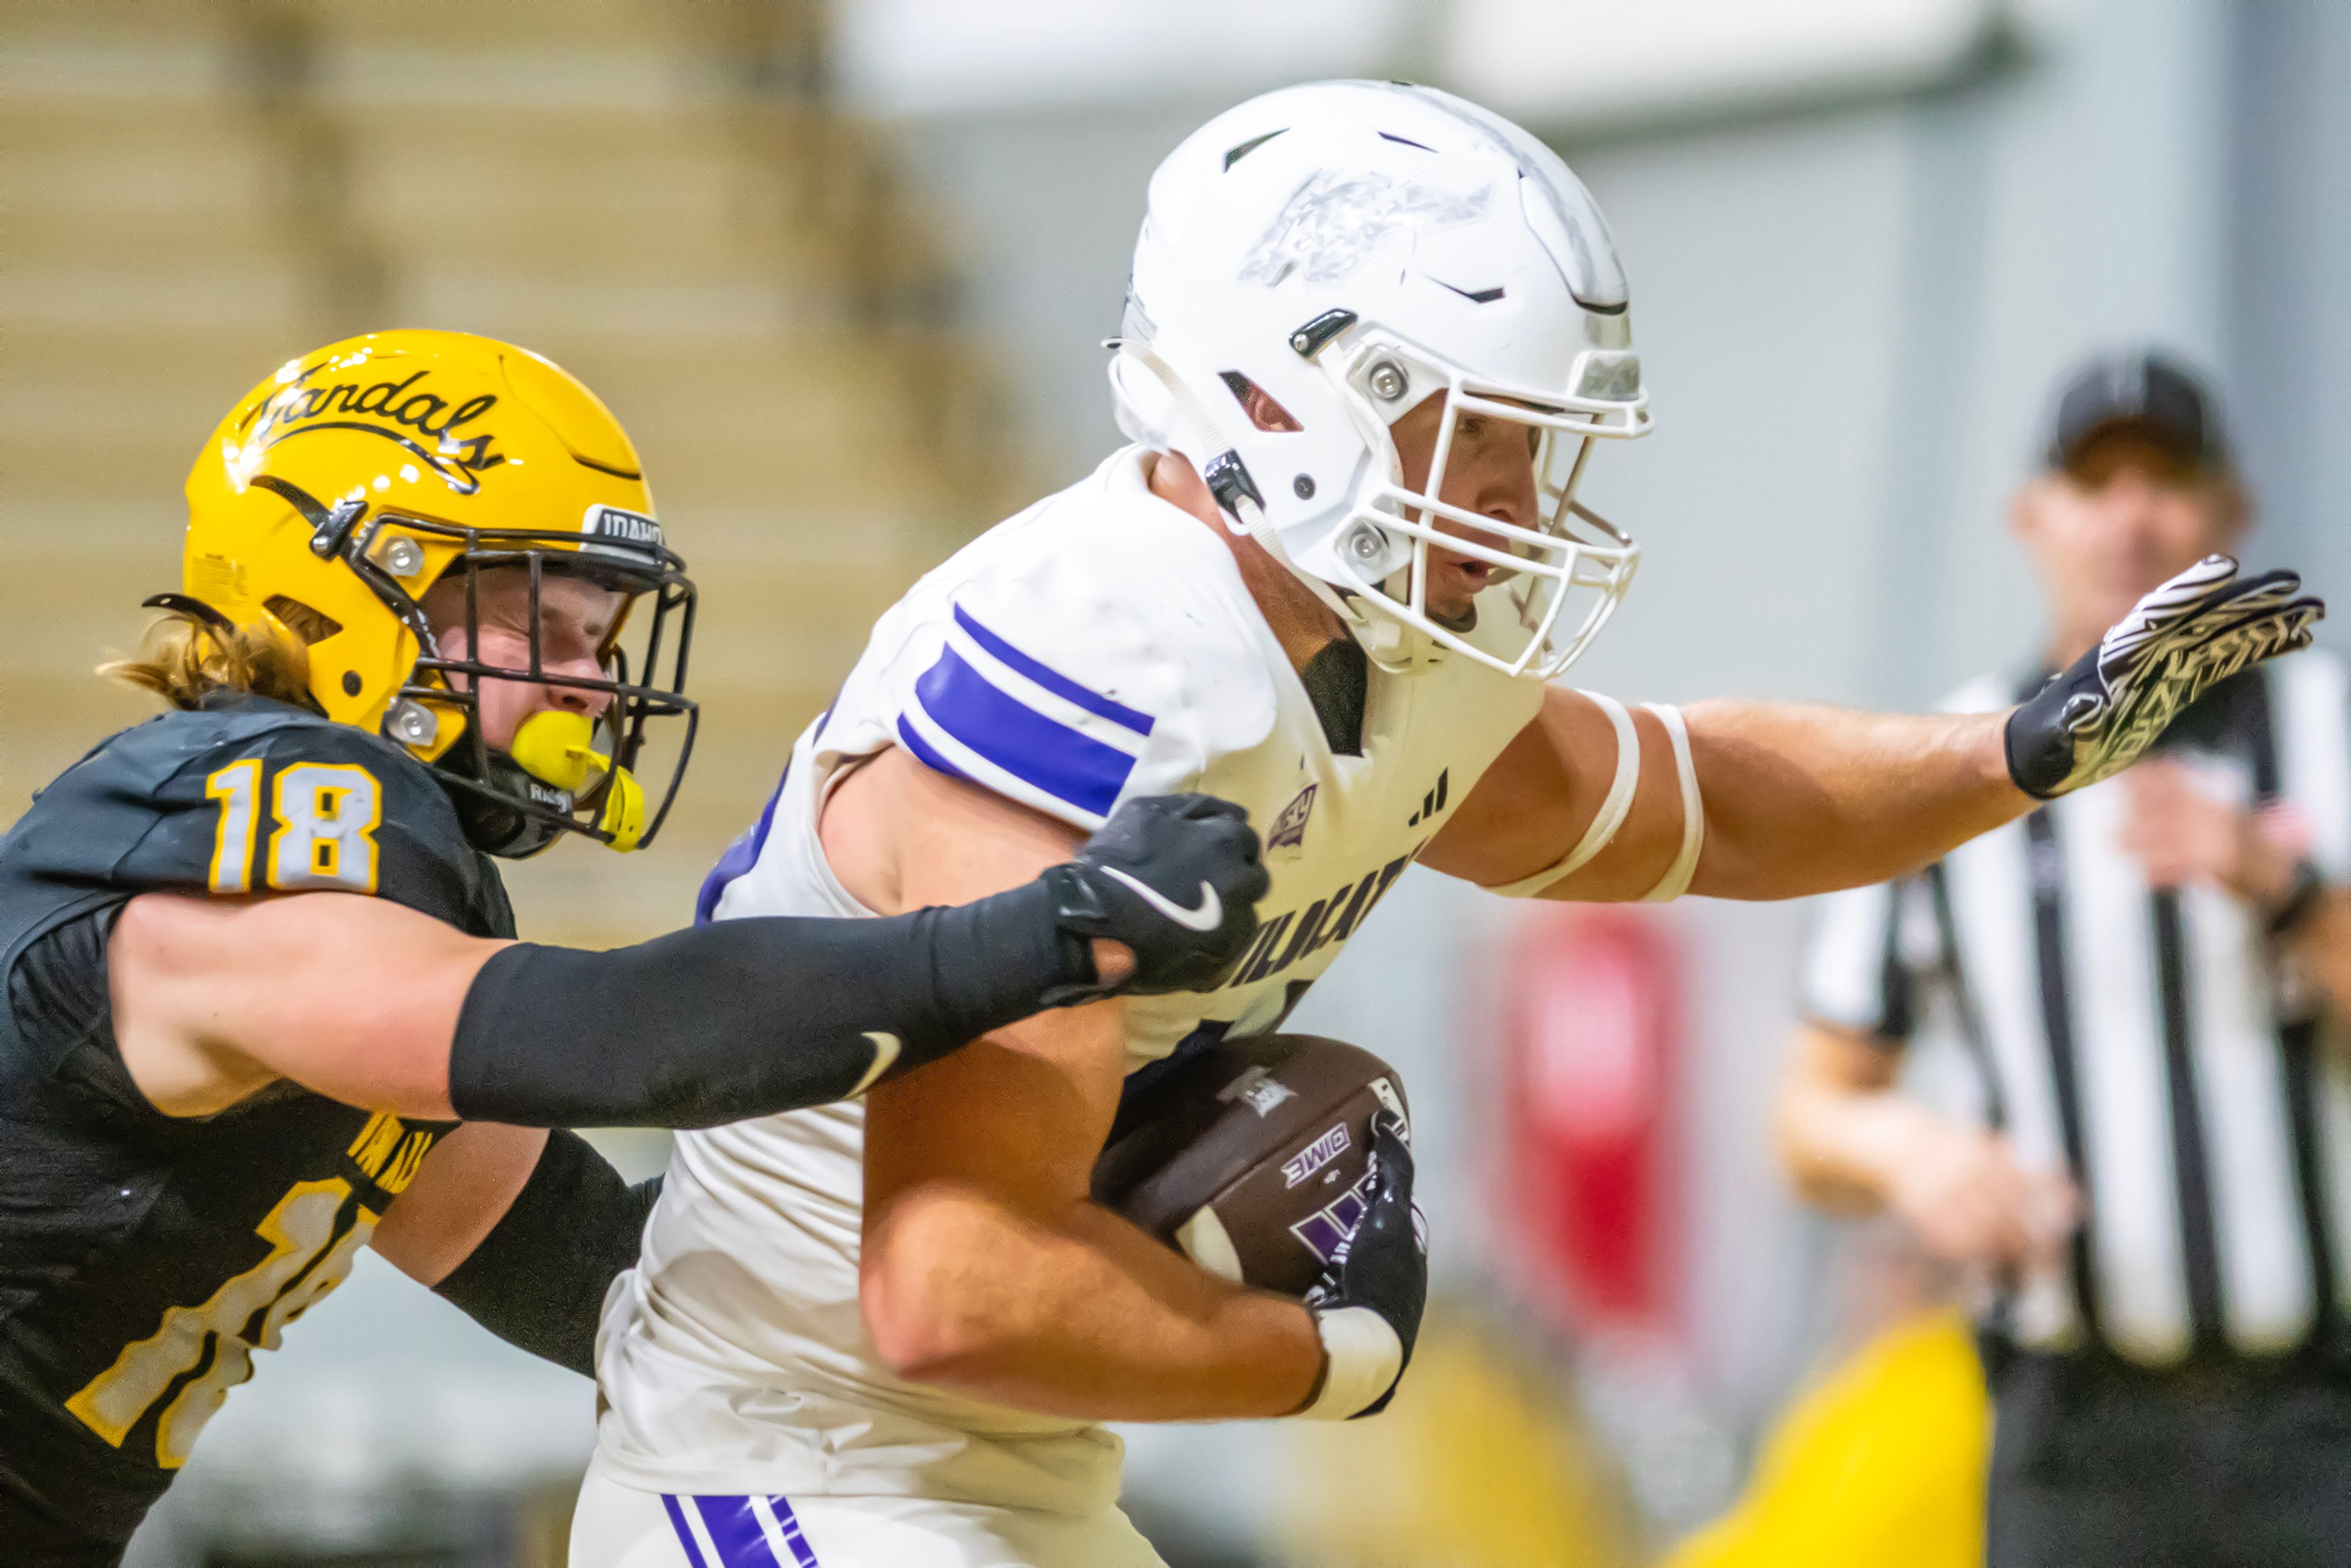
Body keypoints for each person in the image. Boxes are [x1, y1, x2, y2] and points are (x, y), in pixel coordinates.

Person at [577, 87, 2319, 1568]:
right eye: (1475, 436)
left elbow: (1698, 803)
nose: (1518, 501)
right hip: (789, 1455)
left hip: (988, 1466)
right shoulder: (1097, 655)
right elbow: (951, 1287)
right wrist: (1322, 1351)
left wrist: (2018, 754)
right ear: (1280, 395)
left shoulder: (1366, 632)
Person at [0, 329, 1273, 1567]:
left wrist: (1057, 1229)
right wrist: (1046, 935)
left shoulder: (369, 906)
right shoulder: (252, 808)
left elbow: (607, 1282)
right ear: (328, 598)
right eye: (534, 625)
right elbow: (607, 1037)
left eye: (601, 641)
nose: (589, 686)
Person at [1777, 350, 2351, 1566]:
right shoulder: (1947, 770)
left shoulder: (2326, 737)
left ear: (2228, 516)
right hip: (2069, 1428)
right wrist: (1917, 1155)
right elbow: (1809, 1115)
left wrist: (2289, 889)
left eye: (2168, 480)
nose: (2133, 516)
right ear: (2031, 518)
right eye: (2097, 482)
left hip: (2322, 1419)